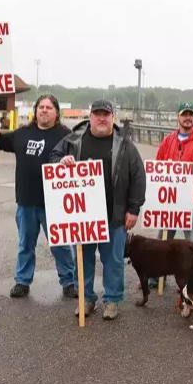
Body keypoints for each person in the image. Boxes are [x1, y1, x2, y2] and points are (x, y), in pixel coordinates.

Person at [50, 100, 146, 321]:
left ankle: (112, 300)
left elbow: (138, 178)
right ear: (90, 117)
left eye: (106, 114)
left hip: (114, 215)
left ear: (113, 117)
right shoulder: (73, 140)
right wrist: (60, 162)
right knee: (83, 259)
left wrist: (133, 209)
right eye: (97, 114)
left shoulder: (125, 145)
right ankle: (86, 299)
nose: (102, 118)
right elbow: (53, 159)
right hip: (82, 217)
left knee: (113, 261)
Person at [0, 94, 78, 299]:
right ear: (35, 111)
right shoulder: (23, 133)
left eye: (49, 108)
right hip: (25, 200)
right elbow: (1, 140)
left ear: (56, 113)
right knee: (26, 244)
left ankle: (69, 281)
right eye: (41, 107)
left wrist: (69, 162)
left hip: (54, 202)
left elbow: (78, 160)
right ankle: (22, 281)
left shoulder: (66, 135)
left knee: (60, 245)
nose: (44, 110)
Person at [148, 102, 193, 287]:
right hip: (171, 202)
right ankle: (156, 276)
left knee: (192, 244)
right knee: (163, 242)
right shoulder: (168, 141)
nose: (187, 118)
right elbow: (159, 167)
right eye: (184, 114)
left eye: (191, 114)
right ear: (178, 116)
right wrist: (156, 197)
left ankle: (192, 279)